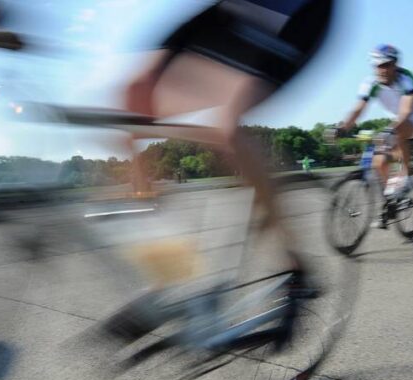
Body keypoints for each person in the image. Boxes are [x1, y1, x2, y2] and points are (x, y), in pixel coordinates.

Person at [122, 0, 336, 287]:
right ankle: (149, 215)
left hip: (293, 16)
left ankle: (291, 257)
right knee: (133, 98)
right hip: (233, 10)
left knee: (228, 125)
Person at [341, 44, 413, 199]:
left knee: (398, 130)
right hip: (400, 120)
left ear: (395, 64)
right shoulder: (370, 83)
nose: (383, 70)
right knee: (380, 161)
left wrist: (391, 129)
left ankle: (407, 177)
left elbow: (406, 109)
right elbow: (359, 107)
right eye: (379, 66)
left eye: (387, 65)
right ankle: (391, 199)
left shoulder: (406, 78)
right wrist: (343, 127)